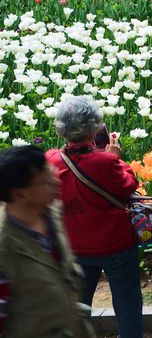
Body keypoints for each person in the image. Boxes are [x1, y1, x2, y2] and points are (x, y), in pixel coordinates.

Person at [46, 96, 144, 338]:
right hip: (116, 244)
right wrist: (116, 158)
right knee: (127, 305)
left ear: (61, 128)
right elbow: (129, 185)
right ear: (94, 127)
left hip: (74, 246)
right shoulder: (106, 161)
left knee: (79, 307)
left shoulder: (50, 160)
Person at [0, 145, 95, 338]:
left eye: (52, 172)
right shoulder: (4, 249)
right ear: (20, 194)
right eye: (45, 181)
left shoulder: (53, 214)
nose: (56, 180)